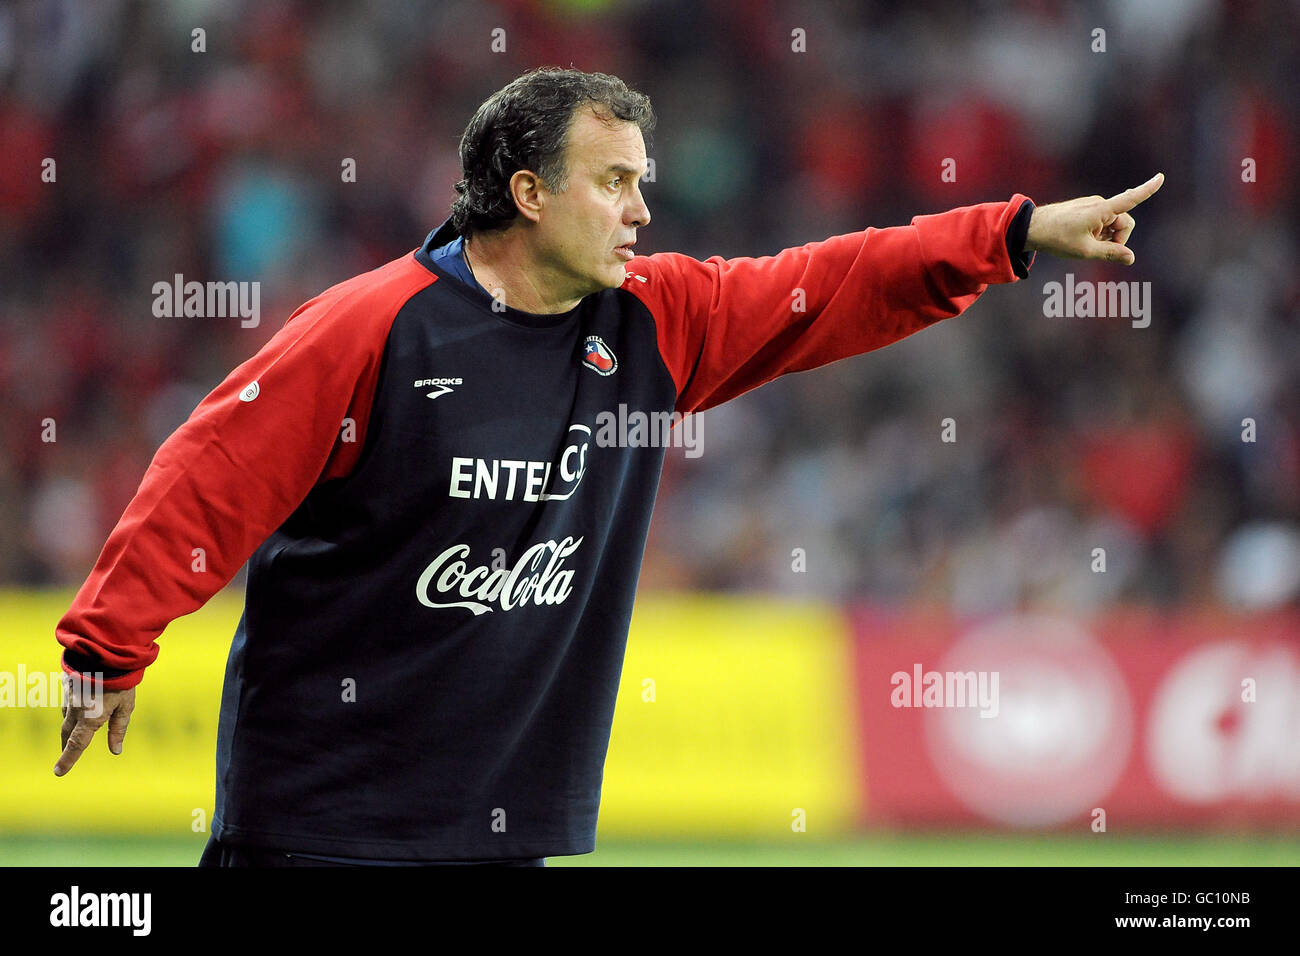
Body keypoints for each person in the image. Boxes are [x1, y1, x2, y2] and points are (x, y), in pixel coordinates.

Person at [53, 66, 1164, 866]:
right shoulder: (372, 326)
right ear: (527, 194)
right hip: (323, 829)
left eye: (644, 181)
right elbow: (212, 464)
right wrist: (110, 637)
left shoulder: (653, 317)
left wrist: (1009, 236)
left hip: (503, 829)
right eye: (613, 181)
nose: (642, 210)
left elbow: (825, 284)